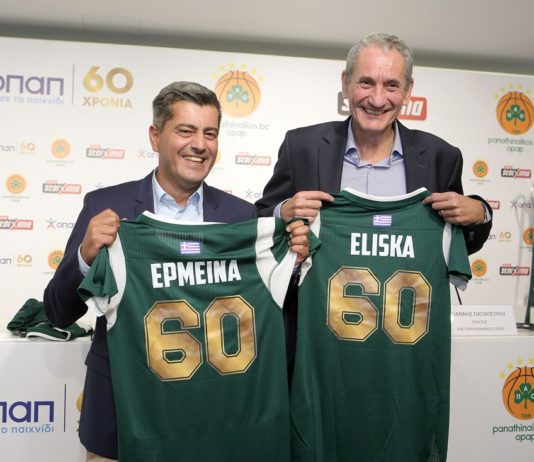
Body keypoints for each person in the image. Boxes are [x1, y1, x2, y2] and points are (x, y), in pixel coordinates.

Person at [43, 81, 309, 461]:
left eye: (210, 133)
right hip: (121, 416)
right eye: (186, 130)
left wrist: (293, 265)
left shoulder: (242, 217)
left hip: (214, 416)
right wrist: (85, 256)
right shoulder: (107, 206)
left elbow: (264, 318)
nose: (199, 144)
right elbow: (58, 312)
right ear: (155, 136)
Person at [256, 32, 492, 380]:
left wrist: (480, 213)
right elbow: (260, 221)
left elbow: (451, 241)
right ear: (345, 83)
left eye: (391, 85)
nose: (377, 99)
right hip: (316, 345)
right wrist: (283, 213)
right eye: (366, 82)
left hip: (402, 351)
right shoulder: (302, 146)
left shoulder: (441, 157)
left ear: (408, 91)